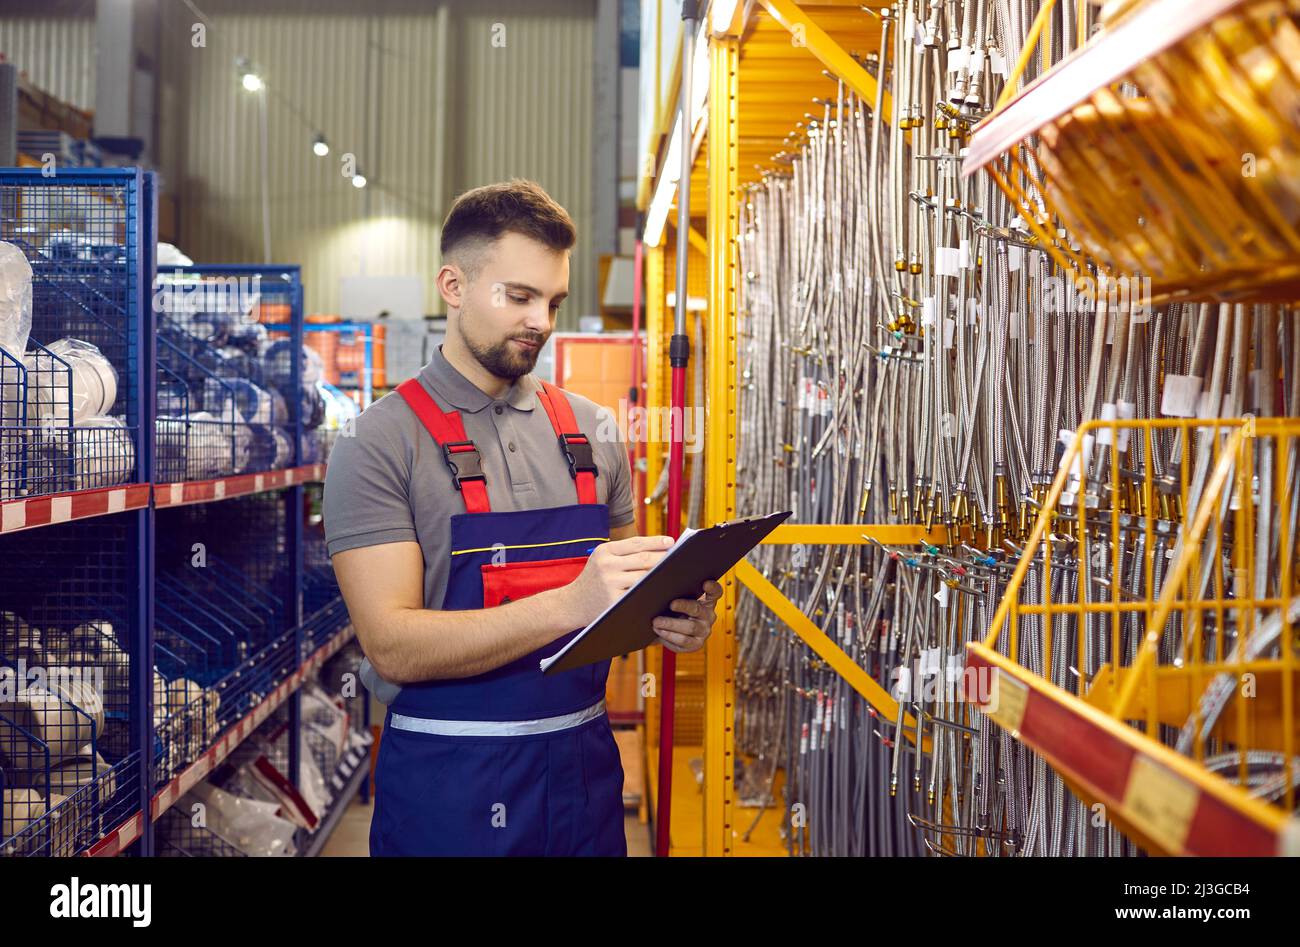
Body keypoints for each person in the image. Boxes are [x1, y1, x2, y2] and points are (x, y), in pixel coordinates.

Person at [323, 179, 722, 856]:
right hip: (448, 796)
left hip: (584, 785)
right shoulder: (378, 443)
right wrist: (572, 602)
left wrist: (671, 613)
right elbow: (391, 644)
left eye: (554, 301)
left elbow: (620, 602)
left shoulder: (594, 430)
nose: (541, 319)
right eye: (519, 296)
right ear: (453, 285)